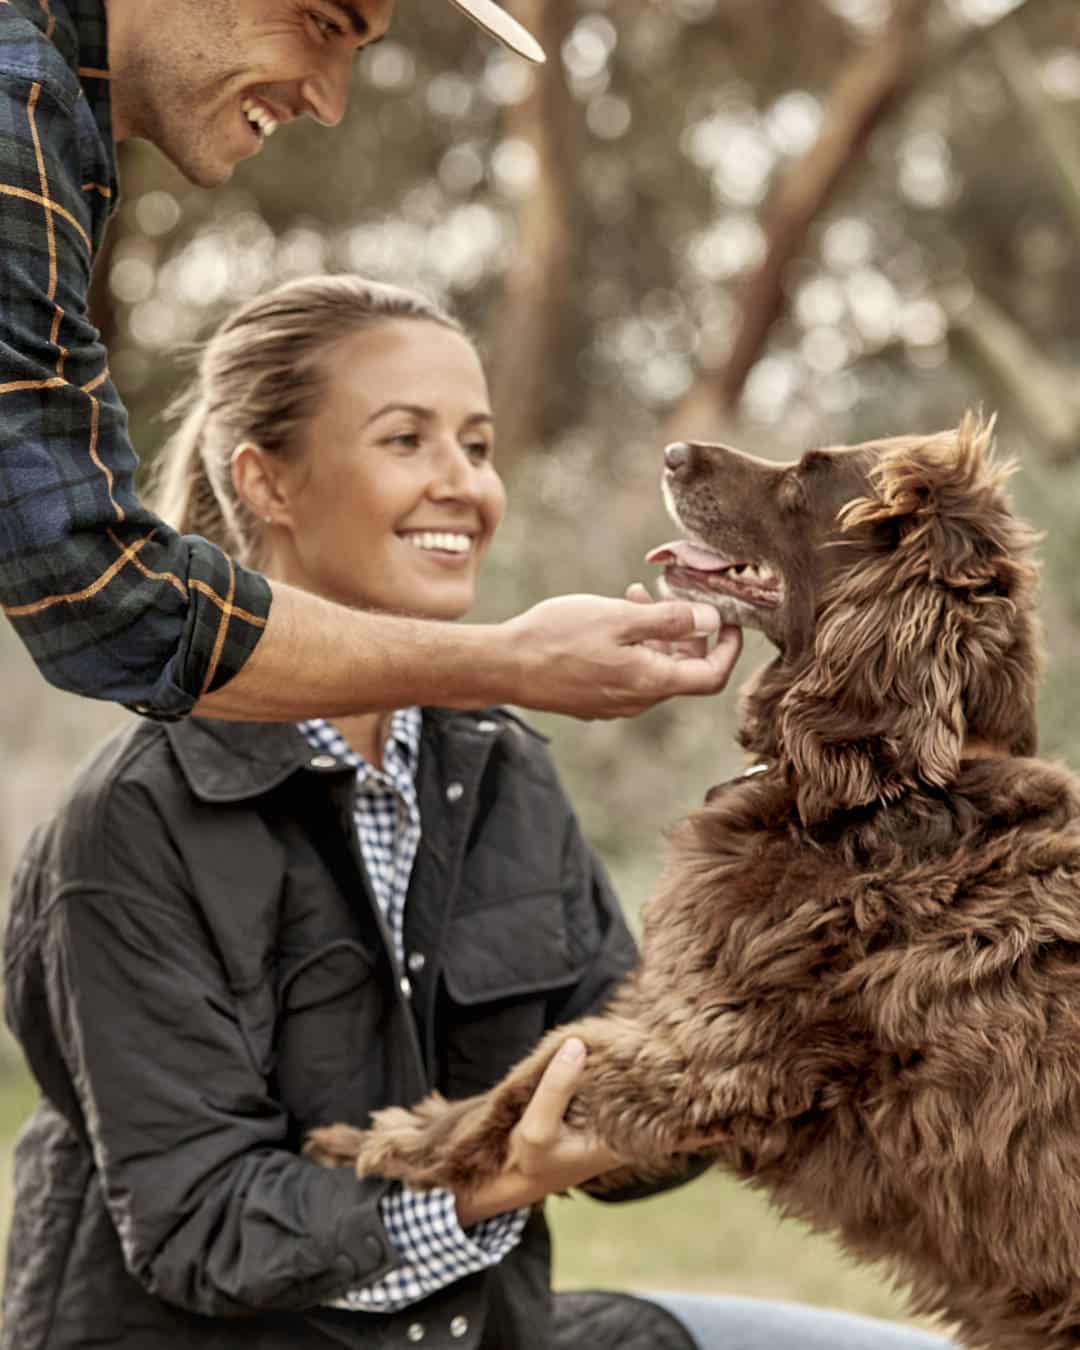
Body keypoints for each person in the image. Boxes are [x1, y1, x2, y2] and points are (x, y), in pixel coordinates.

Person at [1, 274, 953, 1350]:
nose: (464, 485)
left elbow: (643, 1080)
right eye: (407, 442)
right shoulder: (131, 827)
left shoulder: (495, 765)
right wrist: (490, 1181)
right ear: (267, 483)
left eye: (481, 445)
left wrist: (798, 856)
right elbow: (206, 1231)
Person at [0, 0, 741, 728]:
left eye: (477, 444)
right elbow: (101, 598)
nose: (329, 100)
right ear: (264, 481)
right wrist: (513, 662)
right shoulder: (14, 100)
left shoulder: (54, 129)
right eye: (323, 22)